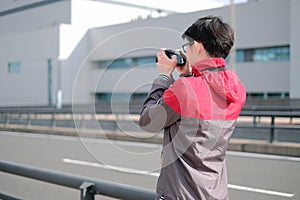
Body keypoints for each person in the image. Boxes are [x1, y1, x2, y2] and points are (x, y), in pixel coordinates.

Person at [139, 15, 246, 200]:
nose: (185, 51)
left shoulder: (185, 90)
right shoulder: (237, 88)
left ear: (197, 46)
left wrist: (164, 77)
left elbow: (148, 121)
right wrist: (190, 75)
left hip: (181, 194)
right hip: (216, 194)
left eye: (186, 46)